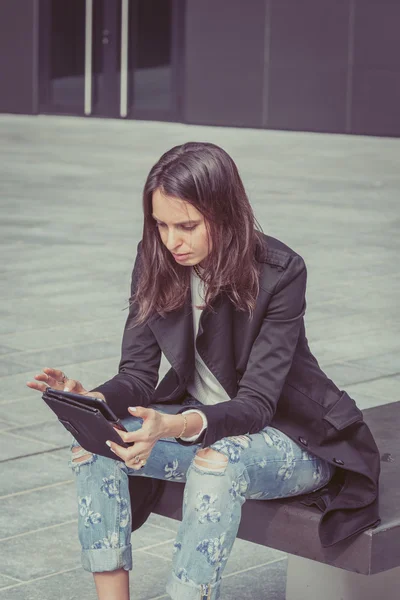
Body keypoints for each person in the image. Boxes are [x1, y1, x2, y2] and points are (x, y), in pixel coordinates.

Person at [27, 142, 380, 600]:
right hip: (204, 426)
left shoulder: (280, 272)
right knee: (97, 447)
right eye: (161, 224)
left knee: (220, 463)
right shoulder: (156, 259)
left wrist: (174, 424)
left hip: (294, 437)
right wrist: (95, 399)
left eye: (187, 226)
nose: (171, 240)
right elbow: (136, 372)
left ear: (225, 213)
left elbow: (256, 405)